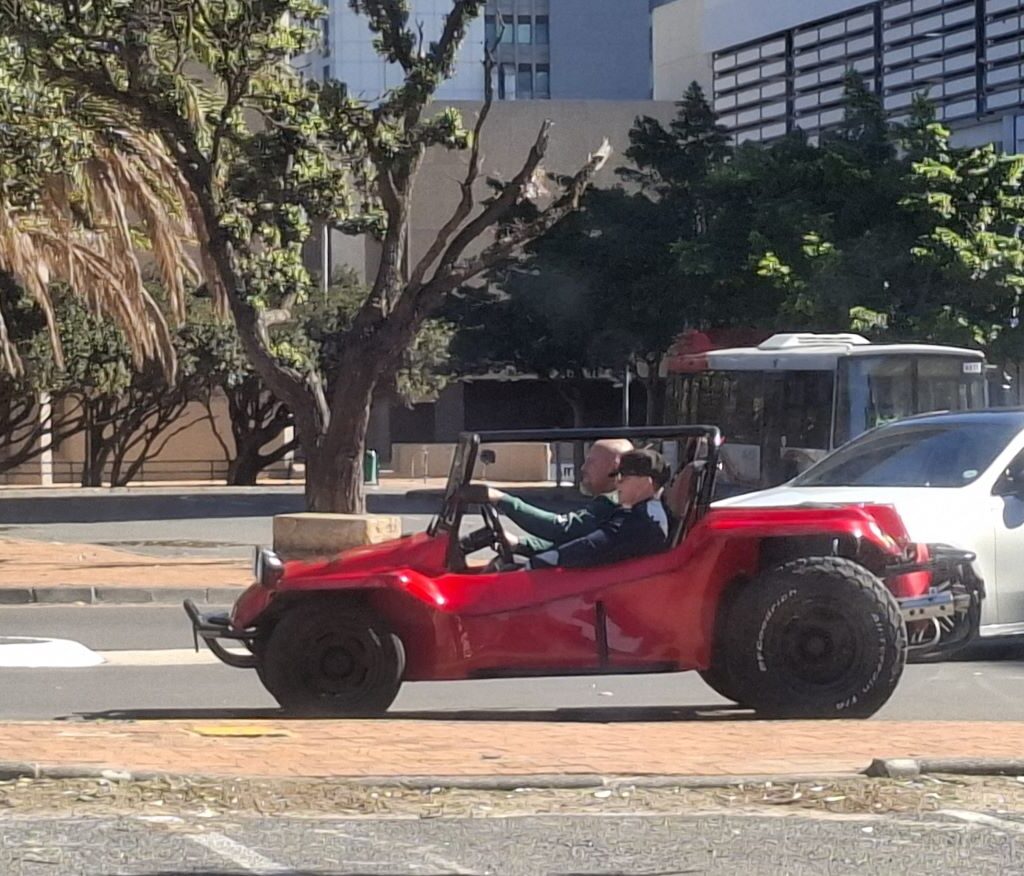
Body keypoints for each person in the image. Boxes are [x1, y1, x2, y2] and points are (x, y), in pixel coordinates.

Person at [461, 438, 633, 557]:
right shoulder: (614, 501)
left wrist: (500, 498)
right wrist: (521, 543)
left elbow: (562, 528)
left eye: (591, 461)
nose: (583, 467)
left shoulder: (614, 502)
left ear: (614, 467)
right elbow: (577, 541)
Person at [528, 448, 671, 570]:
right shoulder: (646, 513)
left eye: (623, 478)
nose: (618, 485)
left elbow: (592, 546)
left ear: (645, 483)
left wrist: (536, 563)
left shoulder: (642, 520)